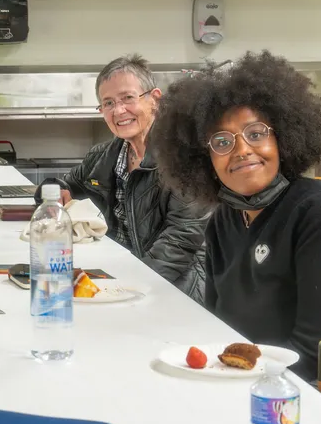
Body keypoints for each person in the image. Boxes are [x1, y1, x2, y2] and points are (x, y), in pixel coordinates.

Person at [150, 51, 321, 380]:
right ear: (203, 159)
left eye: (256, 134)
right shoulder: (224, 220)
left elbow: (316, 353)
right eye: (222, 142)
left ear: (282, 138)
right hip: (263, 377)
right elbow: (221, 331)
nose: (241, 150)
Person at [38, 55, 208, 300]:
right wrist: (53, 190)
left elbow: (180, 241)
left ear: (155, 100)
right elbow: (64, 184)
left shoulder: (184, 158)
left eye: (128, 98)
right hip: (117, 278)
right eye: (108, 103)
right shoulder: (104, 156)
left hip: (174, 291)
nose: (118, 111)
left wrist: (127, 288)